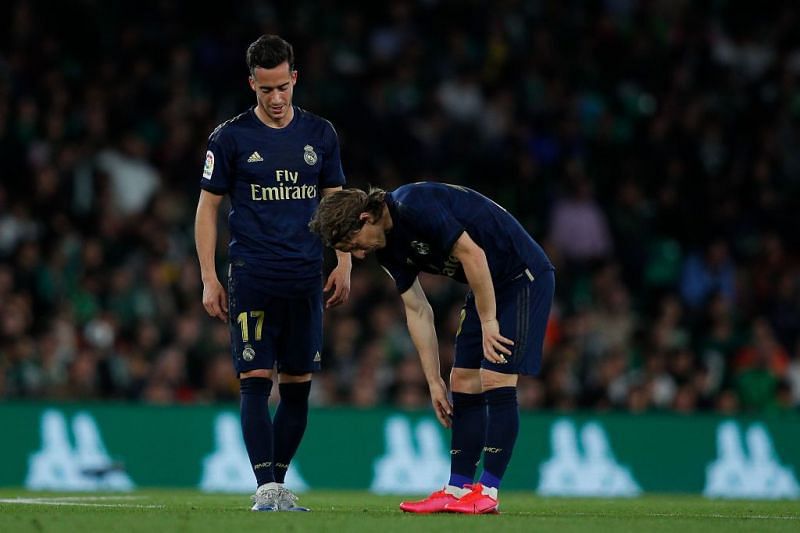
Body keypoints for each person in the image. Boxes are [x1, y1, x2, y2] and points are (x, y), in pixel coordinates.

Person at [310, 182, 554, 514]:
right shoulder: (387, 247)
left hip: (521, 277)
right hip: (486, 283)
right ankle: (457, 489)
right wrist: (433, 380)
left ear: (365, 217)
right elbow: (418, 309)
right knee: (462, 381)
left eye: (354, 243)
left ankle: (489, 491)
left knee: (496, 377)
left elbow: (473, 253)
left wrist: (489, 322)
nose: (358, 254)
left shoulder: (415, 205)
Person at [195, 34, 351, 512]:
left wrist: (343, 261)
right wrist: (208, 276)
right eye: (266, 90)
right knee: (256, 378)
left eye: (283, 87)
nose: (277, 99)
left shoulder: (320, 135)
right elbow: (207, 209)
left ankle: (276, 483)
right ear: (252, 85)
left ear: (294, 78)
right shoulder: (230, 138)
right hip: (253, 277)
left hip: (306, 278)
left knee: (299, 387)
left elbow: (336, 203)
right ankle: (265, 486)